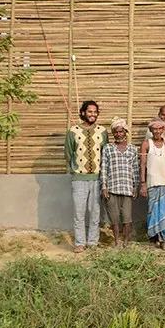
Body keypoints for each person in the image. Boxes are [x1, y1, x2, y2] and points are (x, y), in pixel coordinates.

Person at [65, 100, 107, 253]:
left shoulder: (102, 131)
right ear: (83, 112)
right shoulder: (73, 131)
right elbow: (68, 153)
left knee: (95, 212)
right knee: (79, 212)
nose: (93, 114)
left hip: (97, 178)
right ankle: (80, 243)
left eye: (95, 112)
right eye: (90, 112)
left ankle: (93, 242)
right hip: (79, 179)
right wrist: (75, 171)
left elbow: (105, 154)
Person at [99, 117, 139, 248]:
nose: (118, 134)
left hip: (127, 188)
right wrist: (104, 186)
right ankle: (117, 242)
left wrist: (136, 186)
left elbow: (135, 169)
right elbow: (104, 168)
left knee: (127, 218)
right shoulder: (108, 148)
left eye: (121, 131)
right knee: (114, 218)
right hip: (112, 188)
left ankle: (126, 241)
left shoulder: (132, 149)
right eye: (115, 132)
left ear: (125, 132)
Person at [141, 118, 165, 249]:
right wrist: (142, 183)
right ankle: (154, 238)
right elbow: (142, 164)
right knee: (153, 211)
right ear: (151, 130)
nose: (157, 131)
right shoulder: (147, 144)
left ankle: (164, 239)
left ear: (164, 130)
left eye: (160, 129)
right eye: (154, 129)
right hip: (152, 182)